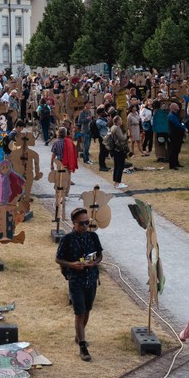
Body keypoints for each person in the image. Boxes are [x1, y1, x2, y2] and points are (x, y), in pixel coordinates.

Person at [55, 207, 103, 362]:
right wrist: (72, 265)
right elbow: (58, 259)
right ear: (74, 224)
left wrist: (93, 263)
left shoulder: (93, 236)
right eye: (81, 224)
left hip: (91, 279)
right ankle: (83, 346)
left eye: (87, 223)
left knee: (87, 310)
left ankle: (78, 336)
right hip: (76, 280)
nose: (84, 226)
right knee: (79, 312)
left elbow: (100, 255)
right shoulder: (67, 239)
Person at [106, 115, 130, 189]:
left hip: (114, 149)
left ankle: (116, 182)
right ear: (117, 121)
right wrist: (126, 135)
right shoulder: (117, 128)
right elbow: (122, 138)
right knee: (120, 166)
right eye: (120, 120)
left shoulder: (112, 127)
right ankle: (118, 182)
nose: (121, 121)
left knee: (116, 165)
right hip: (119, 149)